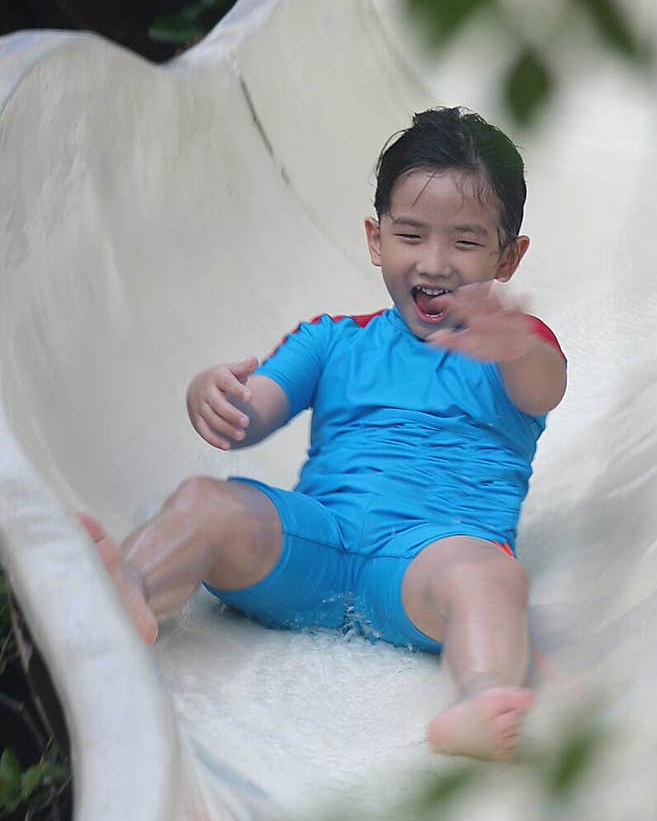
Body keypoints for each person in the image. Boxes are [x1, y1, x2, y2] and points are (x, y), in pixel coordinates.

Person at [79, 107, 567, 760]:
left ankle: (481, 699)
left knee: (492, 578)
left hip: (429, 564)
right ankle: (132, 588)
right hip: (317, 544)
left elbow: (545, 385)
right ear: (376, 239)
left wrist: (511, 344)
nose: (436, 261)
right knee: (205, 499)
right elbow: (254, 412)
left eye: (467, 242)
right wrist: (215, 397)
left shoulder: (512, 351)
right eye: (412, 235)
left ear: (509, 257)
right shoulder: (335, 340)